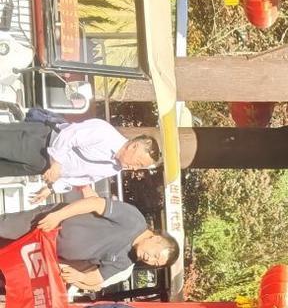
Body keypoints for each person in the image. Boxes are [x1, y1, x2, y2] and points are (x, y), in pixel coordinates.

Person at [0, 195, 179, 293]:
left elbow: (98, 278)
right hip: (51, 223)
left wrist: (79, 277)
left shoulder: (126, 262)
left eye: (155, 263)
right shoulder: (134, 219)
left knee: (6, 258)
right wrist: (58, 216)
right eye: (156, 255)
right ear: (156, 238)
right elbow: (94, 204)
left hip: (48, 251)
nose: (150, 260)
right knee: (4, 228)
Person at [0, 114, 160, 193]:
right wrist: (57, 163)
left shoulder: (114, 169)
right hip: (40, 142)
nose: (134, 168)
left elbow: (83, 178)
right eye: (138, 163)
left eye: (139, 167)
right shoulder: (105, 133)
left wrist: (52, 187)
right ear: (133, 146)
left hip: (43, 167)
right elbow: (69, 135)